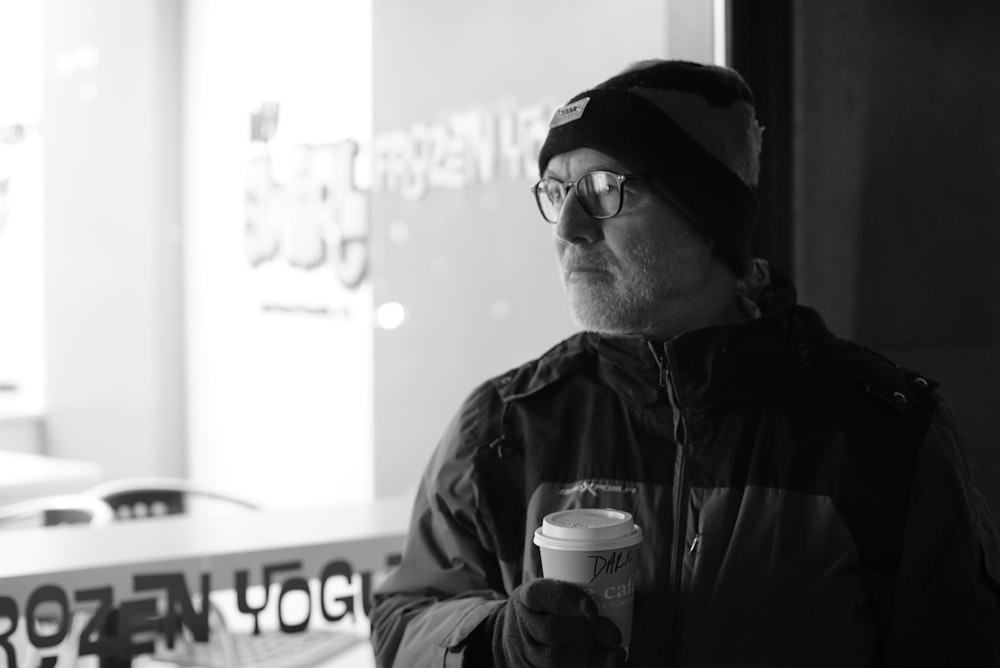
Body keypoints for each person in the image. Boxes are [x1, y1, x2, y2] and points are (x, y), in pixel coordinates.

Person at [369, 59, 1000, 667]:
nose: (567, 227)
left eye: (604, 188)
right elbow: (406, 618)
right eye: (557, 190)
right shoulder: (504, 427)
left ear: (707, 216)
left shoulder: (882, 433)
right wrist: (494, 642)